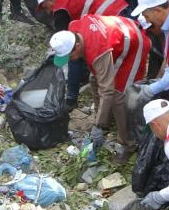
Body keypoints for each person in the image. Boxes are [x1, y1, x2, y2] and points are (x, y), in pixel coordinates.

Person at [50, 15, 149, 162]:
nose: (70, 60)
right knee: (93, 79)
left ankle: (128, 143)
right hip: (116, 39)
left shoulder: (97, 51)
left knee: (117, 96)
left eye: (70, 56)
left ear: (77, 46)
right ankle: (105, 122)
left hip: (133, 44)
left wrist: (97, 126)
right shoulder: (74, 29)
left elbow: (107, 90)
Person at [35, 0, 129, 31]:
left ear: (50, 0)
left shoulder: (60, 9)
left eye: (45, 7)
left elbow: (65, 38)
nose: (48, 12)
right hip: (121, 5)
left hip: (113, 19)